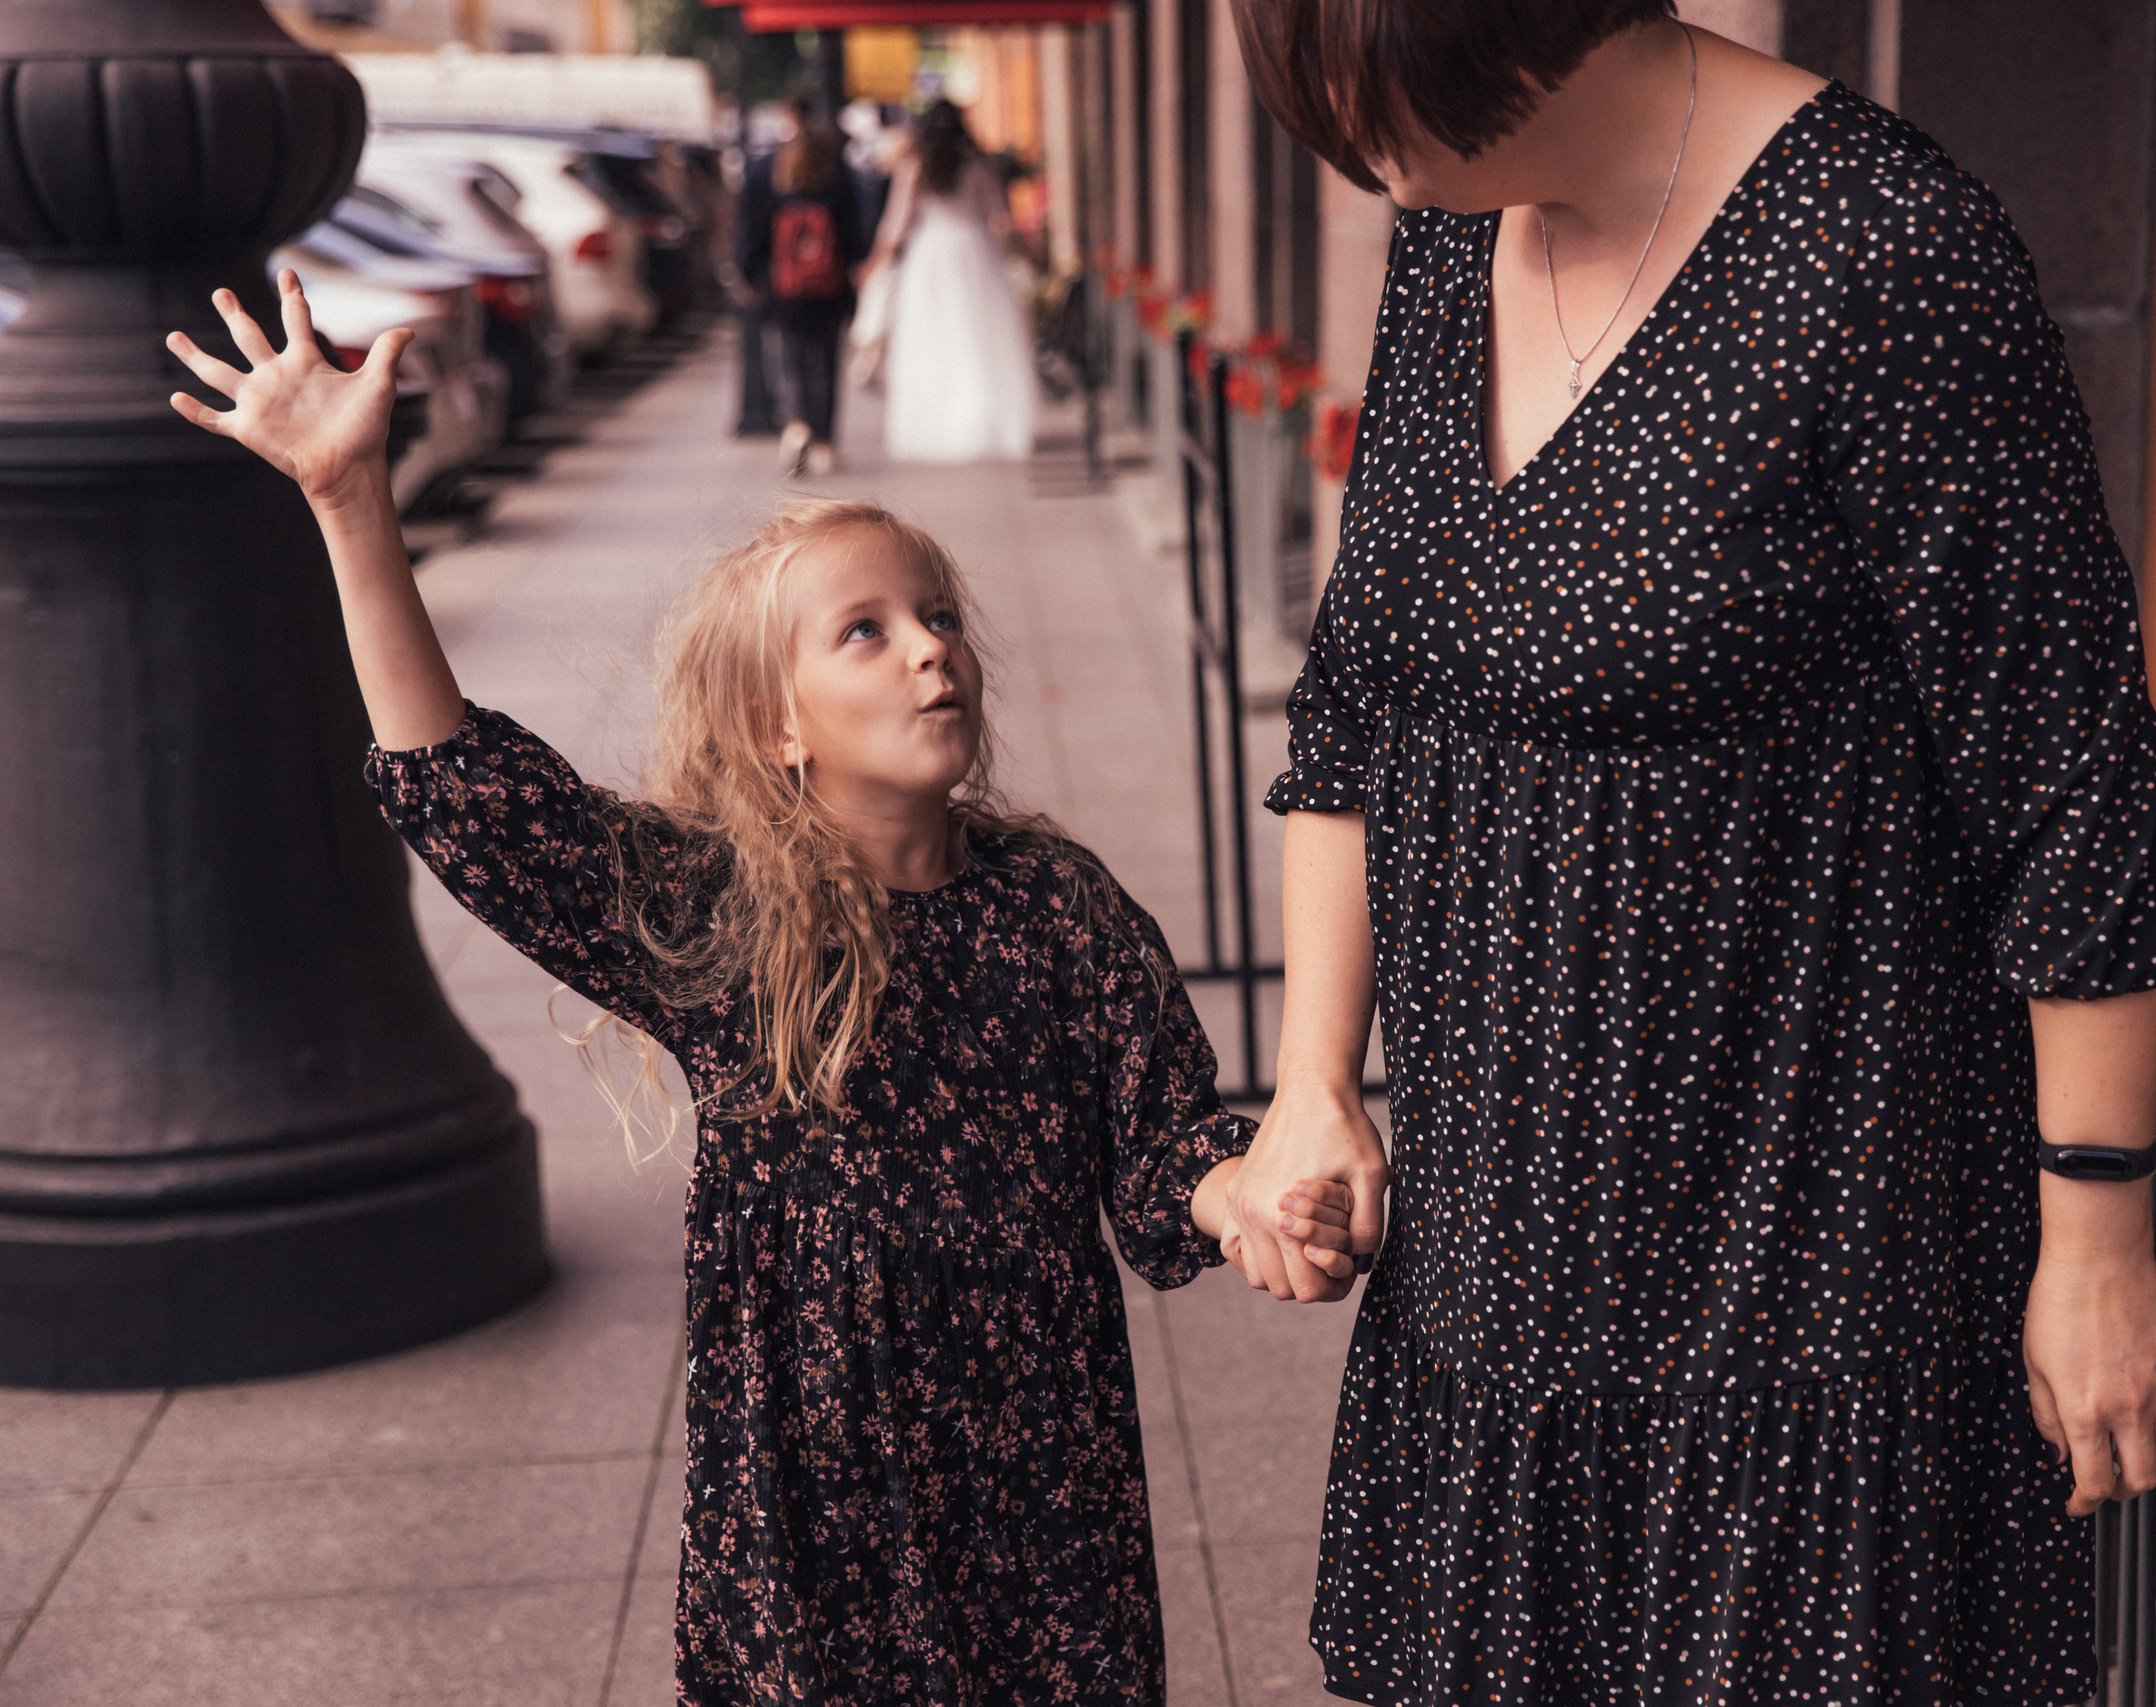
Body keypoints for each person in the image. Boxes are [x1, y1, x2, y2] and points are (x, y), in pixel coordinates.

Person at [162, 274, 1357, 1701]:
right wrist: (353, 501)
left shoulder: (1061, 907)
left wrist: (1251, 1202)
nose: (930, 646)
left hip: (1042, 1489)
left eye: (937, 615)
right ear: (773, 724)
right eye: (866, 630)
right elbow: (470, 794)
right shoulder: (722, 907)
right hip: (807, 1505)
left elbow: (1168, 1146)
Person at [1218, 4, 2156, 1703]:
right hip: (1501, 1263)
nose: (1364, 161)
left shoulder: (1880, 250)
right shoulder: (1453, 230)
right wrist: (1315, 1077)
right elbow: (1361, 695)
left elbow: (2074, 798)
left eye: (1370, 109)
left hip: (1808, 1280)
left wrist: (2098, 1239)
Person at [870, 100, 1040, 462]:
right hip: (973, 252)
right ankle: (982, 422)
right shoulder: (976, 166)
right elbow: (1003, 218)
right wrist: (1029, 253)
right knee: (979, 340)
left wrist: (875, 264)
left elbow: (895, 225)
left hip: (929, 257)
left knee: (932, 342)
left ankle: (939, 425)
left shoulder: (915, 167)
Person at [737, 91, 871, 476]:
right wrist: (856, 266)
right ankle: (825, 441)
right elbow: (853, 227)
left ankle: (796, 425)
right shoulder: (833, 169)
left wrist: (748, 273)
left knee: (788, 360)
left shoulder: (764, 169)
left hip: (782, 286)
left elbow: (751, 230)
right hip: (828, 286)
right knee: (826, 363)